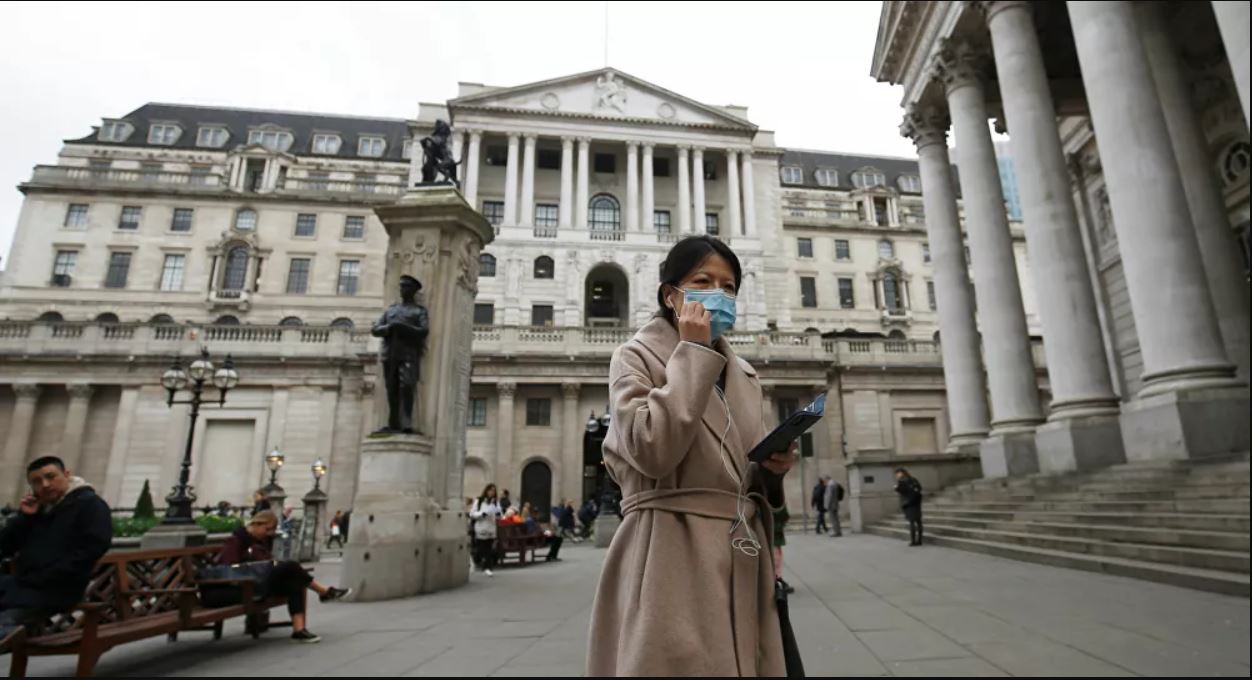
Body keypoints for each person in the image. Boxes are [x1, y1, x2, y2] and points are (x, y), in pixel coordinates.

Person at [587, 235, 800, 677]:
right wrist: (693, 353)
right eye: (703, 281)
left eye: (728, 287)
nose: (718, 295)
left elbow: (744, 471)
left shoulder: (744, 373)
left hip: (741, 552)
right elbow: (651, 449)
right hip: (669, 546)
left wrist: (772, 470)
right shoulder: (634, 357)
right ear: (671, 294)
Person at [0, 457, 112, 648]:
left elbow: (92, 549)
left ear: (66, 475)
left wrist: (46, 575)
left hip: (57, 589)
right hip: (24, 585)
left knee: (5, 621)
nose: (45, 484)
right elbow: (5, 547)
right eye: (37, 481)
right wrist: (24, 518)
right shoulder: (38, 510)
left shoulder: (91, 505)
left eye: (51, 477)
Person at [202, 511, 350, 643]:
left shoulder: (261, 542)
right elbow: (230, 567)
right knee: (291, 566)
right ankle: (323, 592)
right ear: (257, 524)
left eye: (271, 531)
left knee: (295, 579)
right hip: (237, 587)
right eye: (267, 529)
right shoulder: (236, 540)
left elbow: (267, 563)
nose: (268, 533)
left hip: (257, 584)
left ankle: (299, 630)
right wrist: (256, 566)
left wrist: (264, 565)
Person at [470, 484, 503, 577]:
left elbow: (500, 514)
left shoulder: (496, 502)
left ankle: (487, 567)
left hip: (491, 528)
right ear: (486, 491)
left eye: (493, 491)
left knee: (488, 548)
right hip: (481, 527)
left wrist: (497, 513)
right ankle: (479, 562)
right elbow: (472, 513)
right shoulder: (479, 501)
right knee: (481, 548)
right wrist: (482, 514)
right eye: (490, 490)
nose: (491, 492)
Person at [894, 468, 924, 546]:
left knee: (912, 522)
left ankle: (913, 541)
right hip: (916, 502)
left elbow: (904, 492)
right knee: (918, 521)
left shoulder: (902, 481)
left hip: (909, 503)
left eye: (898, 473)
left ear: (902, 473)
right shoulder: (913, 479)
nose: (897, 475)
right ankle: (919, 540)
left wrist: (897, 488)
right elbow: (919, 489)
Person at [772, 505, 795, 595]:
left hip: (773, 534)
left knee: (776, 558)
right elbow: (784, 515)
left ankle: (776, 580)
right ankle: (776, 580)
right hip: (773, 534)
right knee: (775, 559)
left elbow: (784, 515)